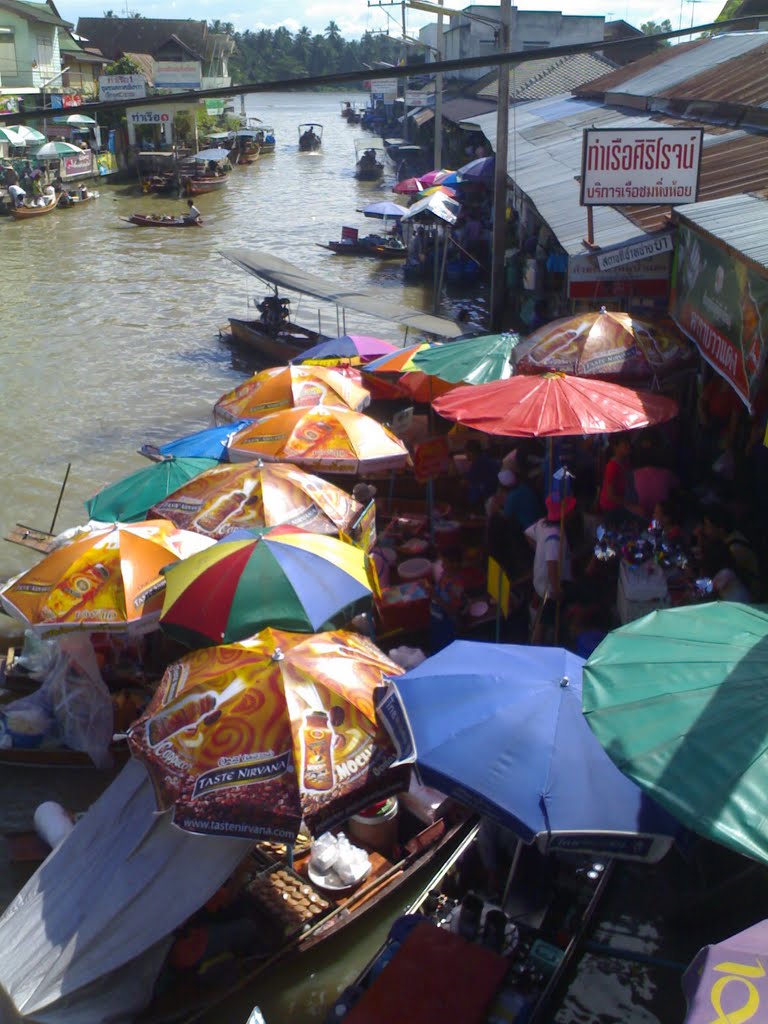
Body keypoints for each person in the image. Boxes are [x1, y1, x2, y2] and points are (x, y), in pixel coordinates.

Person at [524, 495, 575, 644]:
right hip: (550, 588)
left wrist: (539, 549)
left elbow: (527, 533)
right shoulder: (554, 537)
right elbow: (552, 564)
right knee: (543, 624)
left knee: (543, 619)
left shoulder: (541, 524)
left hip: (541, 582)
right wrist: (556, 589)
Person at [598, 434, 641, 524]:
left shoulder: (626, 462)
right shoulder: (612, 466)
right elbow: (611, 495)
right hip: (612, 509)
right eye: (625, 444)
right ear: (615, 447)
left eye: (628, 443)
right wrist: (630, 505)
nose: (628, 446)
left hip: (622, 504)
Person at [430, 547, 465, 652]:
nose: (442, 566)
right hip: (436, 620)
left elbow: (452, 610)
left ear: (453, 564)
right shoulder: (444, 575)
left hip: (446, 626)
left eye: (444, 563)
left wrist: (434, 596)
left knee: (444, 649)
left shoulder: (456, 585)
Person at [462, 439, 499, 510]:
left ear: (472, 452)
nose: (465, 454)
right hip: (493, 493)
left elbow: (465, 482)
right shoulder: (486, 459)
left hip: (485, 496)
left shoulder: (477, 464)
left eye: (466, 452)